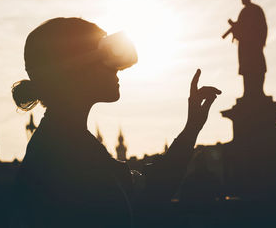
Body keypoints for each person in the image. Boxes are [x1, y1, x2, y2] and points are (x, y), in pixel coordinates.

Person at [12, 17, 221, 227]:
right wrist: (191, 130)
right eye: (104, 54)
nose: (118, 68)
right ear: (77, 70)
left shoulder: (64, 142)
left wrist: (192, 127)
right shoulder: (64, 153)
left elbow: (152, 187)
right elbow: (152, 192)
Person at [228, 0, 268, 98]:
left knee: (258, 68)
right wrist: (236, 30)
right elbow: (239, 32)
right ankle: (248, 93)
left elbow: (262, 28)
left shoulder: (256, 10)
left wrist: (259, 42)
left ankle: (259, 92)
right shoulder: (244, 12)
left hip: (253, 47)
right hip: (245, 49)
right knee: (247, 71)